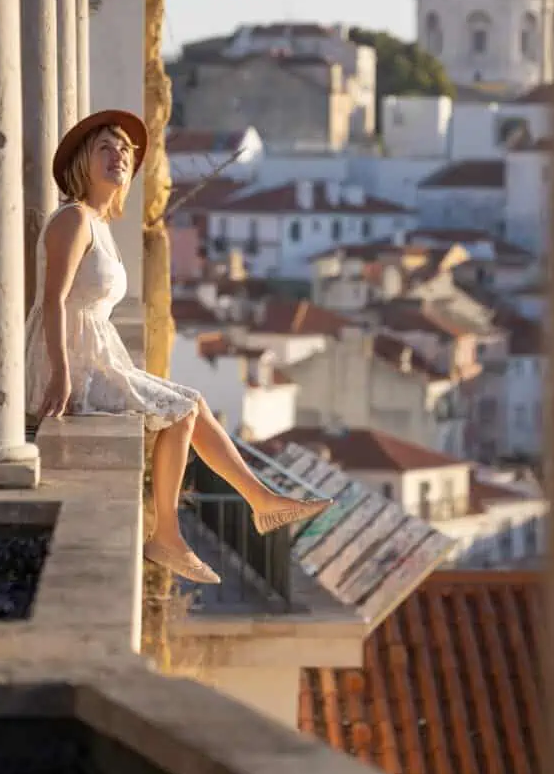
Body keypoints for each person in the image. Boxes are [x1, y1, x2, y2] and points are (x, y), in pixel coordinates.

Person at [25, 110, 330, 584]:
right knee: (183, 410)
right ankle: (174, 531)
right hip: (70, 360)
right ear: (83, 161)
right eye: (106, 147)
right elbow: (52, 300)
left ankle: (254, 501)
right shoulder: (73, 219)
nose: (119, 157)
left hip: (93, 355)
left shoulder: (99, 225)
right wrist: (61, 373)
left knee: (193, 403)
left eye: (125, 151)